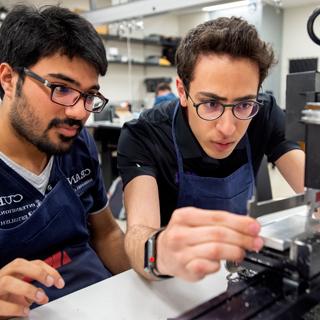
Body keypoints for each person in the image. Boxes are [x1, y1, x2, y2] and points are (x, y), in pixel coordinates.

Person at [117, 17, 305, 281]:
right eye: (211, 104)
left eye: (243, 105)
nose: (227, 128)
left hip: (239, 264)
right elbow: (138, 235)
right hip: (172, 281)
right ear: (182, 90)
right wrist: (158, 252)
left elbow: (309, 185)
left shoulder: (263, 113)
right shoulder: (144, 135)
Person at [0, 5, 130, 318]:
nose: (79, 113)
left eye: (88, 96)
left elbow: (107, 233)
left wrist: (152, 267)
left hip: (100, 298)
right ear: (7, 78)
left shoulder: (77, 142)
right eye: (60, 88)